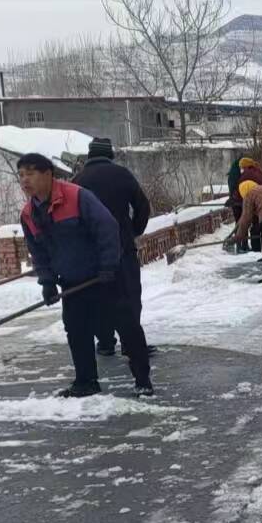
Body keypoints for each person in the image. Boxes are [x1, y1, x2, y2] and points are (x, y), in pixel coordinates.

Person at [16, 153, 153, 398]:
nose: (25, 180)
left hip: (106, 275)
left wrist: (108, 265)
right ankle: (86, 381)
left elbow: (108, 227)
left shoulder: (76, 196)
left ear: (48, 174)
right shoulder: (28, 214)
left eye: (31, 173)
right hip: (72, 282)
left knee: (127, 326)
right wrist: (47, 282)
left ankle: (142, 379)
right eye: (21, 175)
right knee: (76, 329)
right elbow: (38, 250)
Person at [74, 138, 152, 360]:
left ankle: (106, 342)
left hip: (92, 253)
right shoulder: (122, 174)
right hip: (122, 248)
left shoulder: (77, 180)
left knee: (99, 297)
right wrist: (133, 230)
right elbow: (143, 207)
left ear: (89, 155)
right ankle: (131, 343)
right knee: (129, 295)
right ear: (110, 155)